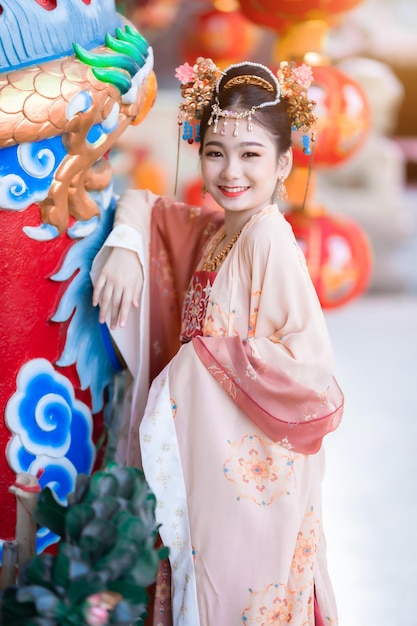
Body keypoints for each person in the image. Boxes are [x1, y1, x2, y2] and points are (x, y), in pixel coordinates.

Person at [91, 57, 344, 626]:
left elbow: (311, 367)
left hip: (253, 481)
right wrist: (129, 243)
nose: (231, 171)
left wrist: (199, 362)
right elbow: (146, 206)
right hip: (210, 467)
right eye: (214, 151)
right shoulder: (220, 229)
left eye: (251, 154)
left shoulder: (269, 239)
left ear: (284, 163)